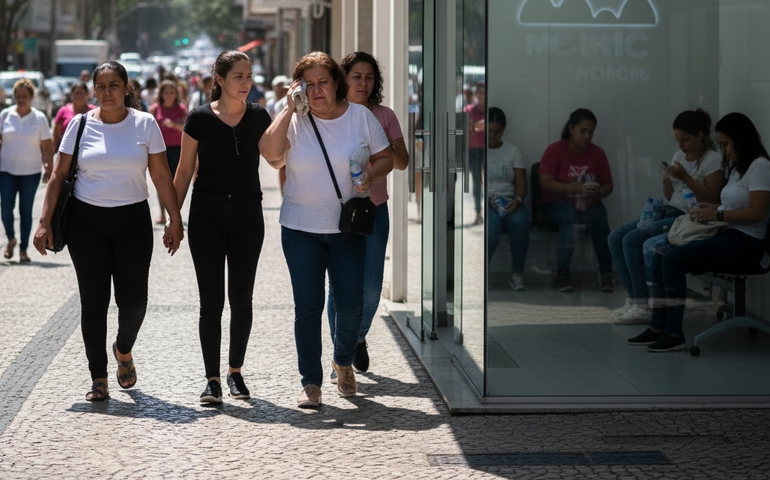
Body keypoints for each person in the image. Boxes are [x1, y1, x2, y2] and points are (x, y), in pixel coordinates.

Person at [32, 61, 183, 402]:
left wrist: (175, 218)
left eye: (114, 85)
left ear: (126, 87)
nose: (107, 92)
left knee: (134, 303)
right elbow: (58, 175)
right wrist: (43, 221)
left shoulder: (144, 124)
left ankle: (123, 349)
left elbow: (160, 175)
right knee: (94, 302)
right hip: (87, 223)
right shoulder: (79, 125)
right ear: (93, 90)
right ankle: (98, 377)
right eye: (101, 86)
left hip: (133, 221)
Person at [259, 51, 392, 408]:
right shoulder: (295, 121)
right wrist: (288, 108)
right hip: (300, 228)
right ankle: (311, 382)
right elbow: (269, 154)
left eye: (323, 82)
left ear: (337, 84)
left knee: (350, 305)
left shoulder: (360, 117)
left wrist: (370, 175)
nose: (317, 91)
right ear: (299, 87)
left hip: (347, 229)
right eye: (309, 84)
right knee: (308, 306)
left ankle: (343, 360)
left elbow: (386, 157)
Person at [173, 50, 271, 404]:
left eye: (249, 76)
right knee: (211, 301)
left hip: (248, 213)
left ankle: (235, 373)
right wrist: (173, 216)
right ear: (220, 80)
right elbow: (184, 171)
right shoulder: (198, 119)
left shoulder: (260, 115)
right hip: (207, 215)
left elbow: (278, 156)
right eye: (238, 77)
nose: (246, 83)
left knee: (242, 299)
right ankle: (212, 379)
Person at [629, 113, 770, 352]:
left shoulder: (760, 166)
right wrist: (713, 208)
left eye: (726, 144)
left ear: (741, 140)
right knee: (661, 251)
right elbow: (735, 205)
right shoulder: (739, 168)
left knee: (673, 257)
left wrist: (718, 215)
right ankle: (657, 327)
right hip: (728, 232)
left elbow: (758, 212)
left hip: (747, 242)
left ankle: (674, 333)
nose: (723, 150)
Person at [323, 51, 409, 380]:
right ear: (343, 79)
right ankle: (339, 357)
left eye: (369, 77)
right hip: (337, 209)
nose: (363, 82)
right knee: (340, 287)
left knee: (371, 288)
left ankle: (357, 337)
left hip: (374, 210)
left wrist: (381, 142)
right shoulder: (332, 113)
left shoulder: (384, 115)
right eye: (356, 76)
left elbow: (401, 161)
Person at [608, 109, 723, 324]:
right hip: (671, 211)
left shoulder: (712, 160)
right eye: (677, 140)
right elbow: (671, 196)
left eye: (685, 140)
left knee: (632, 240)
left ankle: (644, 305)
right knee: (615, 237)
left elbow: (713, 199)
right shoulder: (680, 156)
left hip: (690, 217)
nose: (680, 145)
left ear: (700, 136)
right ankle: (633, 298)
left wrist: (686, 177)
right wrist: (666, 182)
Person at [538, 108, 614, 293]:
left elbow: (608, 186)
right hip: (555, 204)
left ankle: (605, 273)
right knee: (570, 218)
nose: (587, 136)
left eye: (591, 132)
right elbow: (545, 183)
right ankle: (562, 273)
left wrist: (596, 190)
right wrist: (572, 188)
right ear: (571, 128)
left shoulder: (598, 153)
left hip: (590, 203)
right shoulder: (555, 149)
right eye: (583, 131)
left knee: (600, 219)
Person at [0, 79, 54, 263]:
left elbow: (47, 145)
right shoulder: (5, 115)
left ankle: (23, 249)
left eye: (24, 96)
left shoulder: (39, 118)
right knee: (6, 207)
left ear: (31, 97)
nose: (21, 99)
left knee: (25, 210)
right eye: (17, 96)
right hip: (6, 170)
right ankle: (11, 239)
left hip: (30, 171)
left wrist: (49, 166)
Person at [485, 107, 530, 291]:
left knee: (520, 223)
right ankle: (481, 274)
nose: (493, 135)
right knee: (491, 230)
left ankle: (516, 274)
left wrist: (517, 201)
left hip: (510, 200)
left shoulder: (513, 151)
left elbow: (521, 183)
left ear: (503, 131)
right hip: (486, 203)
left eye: (497, 132)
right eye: (489, 131)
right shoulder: (475, 150)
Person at [151, 80, 188, 224]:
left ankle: (174, 214)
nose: (169, 95)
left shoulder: (181, 108)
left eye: (172, 92)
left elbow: (186, 127)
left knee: (175, 182)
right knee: (161, 181)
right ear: (161, 94)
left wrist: (173, 124)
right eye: (166, 92)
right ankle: (161, 214)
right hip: (159, 150)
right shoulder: (155, 109)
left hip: (178, 148)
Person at [52, 82, 96, 152]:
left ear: (87, 94)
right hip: (67, 151)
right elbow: (56, 136)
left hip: (89, 151)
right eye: (76, 93)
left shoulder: (95, 111)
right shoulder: (63, 111)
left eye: (82, 93)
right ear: (71, 94)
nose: (79, 96)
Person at [464, 81, 485, 225]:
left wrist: (475, 125)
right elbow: (468, 126)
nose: (481, 95)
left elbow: (475, 126)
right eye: (479, 92)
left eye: (484, 92)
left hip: (489, 149)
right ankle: (478, 212)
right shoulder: (469, 109)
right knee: (477, 182)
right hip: (473, 149)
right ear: (476, 94)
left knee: (489, 181)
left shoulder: (490, 109)